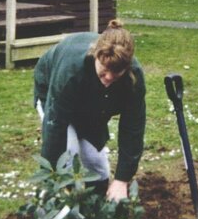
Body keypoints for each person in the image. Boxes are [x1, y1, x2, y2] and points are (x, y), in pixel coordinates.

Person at [33, 19, 146, 201]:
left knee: (97, 164)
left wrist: (122, 180)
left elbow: (133, 127)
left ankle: (97, 208)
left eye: (115, 74)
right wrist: (54, 179)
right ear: (96, 56)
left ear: (126, 68)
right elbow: (55, 127)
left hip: (93, 103)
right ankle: (55, 208)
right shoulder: (70, 72)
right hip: (51, 89)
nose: (108, 78)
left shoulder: (133, 78)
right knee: (68, 152)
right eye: (103, 71)